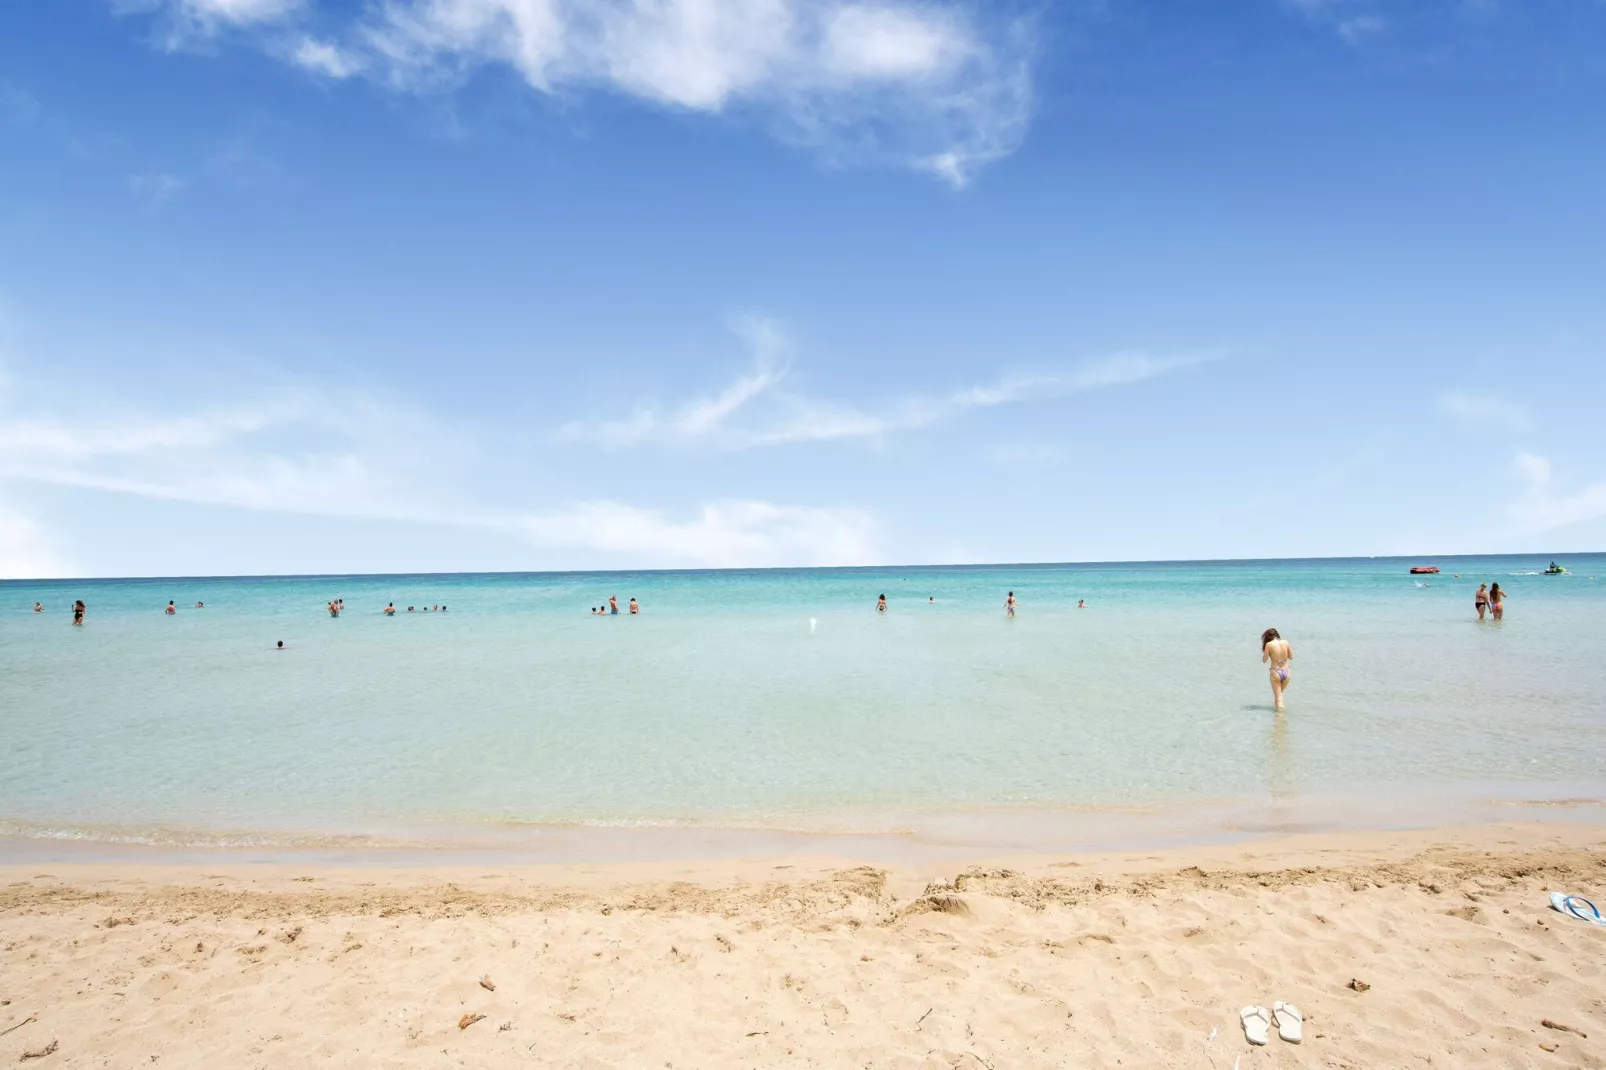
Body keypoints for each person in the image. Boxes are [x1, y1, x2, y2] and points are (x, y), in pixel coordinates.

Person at [1261, 628, 1293, 712]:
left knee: (1278, 699)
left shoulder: (1269, 644)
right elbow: (1291, 657)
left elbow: (1264, 660)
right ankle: (1277, 718)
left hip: (1275, 672)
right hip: (1287, 672)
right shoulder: (1286, 642)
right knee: (1279, 695)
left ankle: (1280, 719)